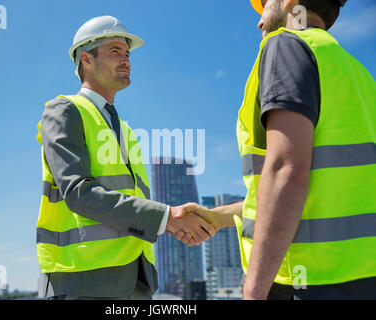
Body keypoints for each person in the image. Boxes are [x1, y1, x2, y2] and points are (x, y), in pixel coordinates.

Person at [175, 0, 376, 299]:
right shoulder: (358, 74)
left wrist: (254, 290)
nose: (259, 22)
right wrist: (218, 217)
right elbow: (319, 191)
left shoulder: (288, 43)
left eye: (265, 4)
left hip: (307, 281)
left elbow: (286, 172)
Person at [35, 16, 215, 300]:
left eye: (127, 54)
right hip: (84, 278)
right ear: (87, 60)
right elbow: (77, 192)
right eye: (115, 51)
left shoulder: (126, 131)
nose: (126, 60)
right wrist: (167, 217)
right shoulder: (64, 111)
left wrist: (174, 220)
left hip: (138, 277)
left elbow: (130, 200)